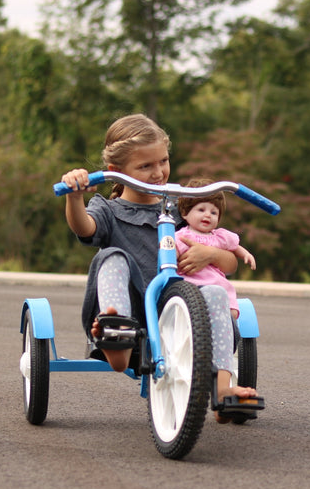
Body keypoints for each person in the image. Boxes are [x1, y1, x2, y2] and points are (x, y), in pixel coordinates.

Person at [59, 114, 257, 421]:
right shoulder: (108, 210)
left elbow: (229, 263)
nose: (158, 172)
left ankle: (222, 389)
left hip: (178, 314)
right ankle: (118, 337)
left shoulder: (182, 209)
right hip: (133, 312)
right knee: (112, 257)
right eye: (145, 166)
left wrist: (209, 254)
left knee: (216, 293)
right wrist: (74, 198)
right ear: (116, 172)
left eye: (163, 161)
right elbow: (84, 227)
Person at [176, 178, 256, 320]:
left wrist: (246, 254)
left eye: (214, 213)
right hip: (191, 285)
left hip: (216, 284)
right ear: (185, 213)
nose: (208, 215)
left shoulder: (220, 237)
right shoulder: (183, 236)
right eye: (201, 209)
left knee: (231, 310)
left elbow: (235, 247)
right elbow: (173, 249)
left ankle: (228, 329)